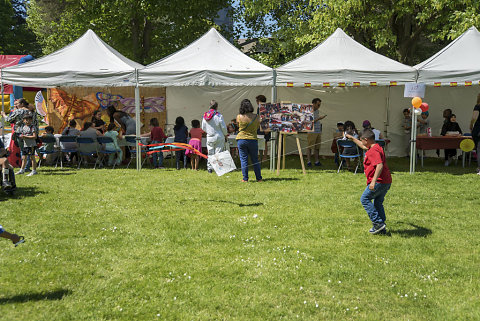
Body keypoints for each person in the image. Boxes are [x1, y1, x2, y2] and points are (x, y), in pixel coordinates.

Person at [346, 129, 392, 235]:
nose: (362, 143)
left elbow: (379, 165)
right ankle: (381, 227)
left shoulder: (372, 151)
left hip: (379, 182)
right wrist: (353, 138)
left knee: (365, 199)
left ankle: (377, 223)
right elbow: (363, 146)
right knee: (378, 202)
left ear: (366, 140)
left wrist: (373, 182)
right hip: (386, 181)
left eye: (362, 140)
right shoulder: (376, 146)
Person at [236, 99, 262, 182]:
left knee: (244, 159)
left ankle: (245, 179)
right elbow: (258, 127)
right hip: (253, 139)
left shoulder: (239, 117)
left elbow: (238, 126)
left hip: (241, 139)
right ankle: (259, 178)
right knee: (255, 160)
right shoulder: (257, 116)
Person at [202, 100, 228, 173]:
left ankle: (209, 168)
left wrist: (209, 132)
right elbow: (223, 127)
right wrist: (225, 134)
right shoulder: (219, 115)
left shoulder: (205, 116)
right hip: (219, 136)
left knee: (210, 153)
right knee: (218, 153)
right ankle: (218, 168)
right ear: (216, 107)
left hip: (210, 136)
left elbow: (203, 127)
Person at [306, 98, 326, 167]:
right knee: (310, 146)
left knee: (317, 147)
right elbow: (309, 122)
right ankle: (308, 161)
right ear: (313, 104)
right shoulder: (309, 111)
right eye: (318, 105)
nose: (319, 106)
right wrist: (319, 118)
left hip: (318, 130)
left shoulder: (317, 111)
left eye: (319, 105)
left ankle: (317, 161)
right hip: (312, 131)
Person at [256, 95, 270, 161]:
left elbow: (267, 118)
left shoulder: (266, 107)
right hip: (260, 126)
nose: (256, 102)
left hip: (265, 126)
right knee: (260, 141)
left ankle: (265, 156)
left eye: (257, 101)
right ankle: (260, 156)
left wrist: (266, 128)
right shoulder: (258, 108)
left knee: (265, 142)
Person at [470, 94, 480, 175]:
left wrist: (471, 124)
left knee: (479, 148)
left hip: (478, 129)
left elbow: (474, 117)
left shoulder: (478, 106)